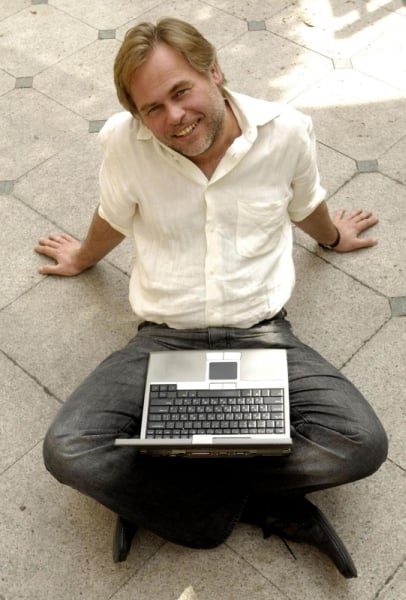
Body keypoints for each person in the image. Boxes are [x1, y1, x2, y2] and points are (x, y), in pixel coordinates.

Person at [35, 18, 387, 578]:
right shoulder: (125, 143)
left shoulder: (287, 132)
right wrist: (82, 256)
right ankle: (256, 506)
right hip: (163, 338)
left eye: (182, 91)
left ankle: (159, 495)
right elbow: (113, 214)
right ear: (137, 114)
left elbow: (305, 205)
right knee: (68, 449)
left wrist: (332, 237)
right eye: (152, 108)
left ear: (214, 71)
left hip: (262, 334)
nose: (174, 117)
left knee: (361, 443)